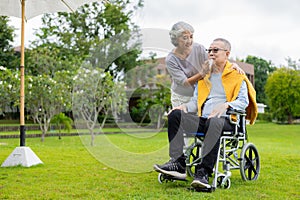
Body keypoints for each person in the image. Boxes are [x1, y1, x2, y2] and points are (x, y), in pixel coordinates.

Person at [154, 38, 258, 190]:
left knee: (215, 120)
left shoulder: (237, 76)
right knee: (175, 115)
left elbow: (243, 101)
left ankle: (203, 173)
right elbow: (196, 101)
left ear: (227, 54)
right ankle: (178, 164)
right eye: (209, 50)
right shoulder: (204, 78)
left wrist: (226, 105)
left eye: (215, 50)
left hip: (228, 121)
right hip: (204, 120)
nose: (211, 53)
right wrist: (184, 107)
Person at [166, 21, 244, 108]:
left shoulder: (198, 48)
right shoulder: (171, 59)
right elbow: (185, 83)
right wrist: (202, 73)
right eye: (185, 38)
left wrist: (232, 65)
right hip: (182, 95)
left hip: (199, 91)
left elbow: (214, 60)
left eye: (191, 37)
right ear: (176, 39)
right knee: (181, 118)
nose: (189, 41)